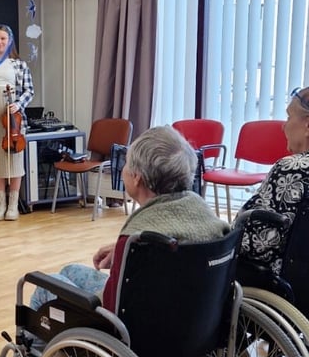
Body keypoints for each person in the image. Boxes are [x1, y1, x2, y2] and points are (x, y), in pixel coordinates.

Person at [30, 126, 229, 312]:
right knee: (70, 270)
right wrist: (121, 252)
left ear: (137, 177)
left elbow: (110, 306)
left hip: (119, 324)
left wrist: (126, 251)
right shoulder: (205, 215)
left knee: (46, 285)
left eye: (126, 163)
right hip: (188, 314)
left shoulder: (139, 240)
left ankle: (34, 341)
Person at [238, 86, 309, 275]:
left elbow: (257, 245)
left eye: (289, 117)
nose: (283, 126)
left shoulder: (292, 168)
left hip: (281, 280)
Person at [0, 25, 34, 221]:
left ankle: (13, 206)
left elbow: (29, 90)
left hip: (13, 121)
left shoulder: (19, 65)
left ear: (10, 41)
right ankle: (0, 205)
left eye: (3, 38)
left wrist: (18, 105)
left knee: (15, 162)